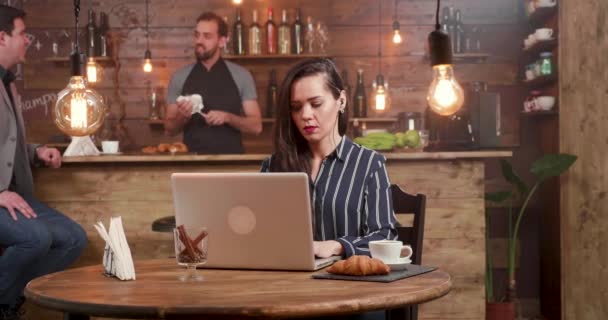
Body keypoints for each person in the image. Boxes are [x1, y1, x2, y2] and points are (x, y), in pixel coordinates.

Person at [261, 58, 398, 259]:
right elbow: (259, 234)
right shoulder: (273, 166)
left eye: (316, 103)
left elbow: (386, 237)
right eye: (296, 107)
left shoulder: (369, 164)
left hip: (347, 283)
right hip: (286, 282)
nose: (306, 115)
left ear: (341, 100)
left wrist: (337, 246)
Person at [0, 5, 87, 320]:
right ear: (1, 38)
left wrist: (36, 151)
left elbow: (6, 142)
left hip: (15, 195)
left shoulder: (8, 82)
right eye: (23, 34)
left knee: (73, 239)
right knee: (36, 238)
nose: (28, 41)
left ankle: (8, 302)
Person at [165, 12, 262, 154]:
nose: (199, 41)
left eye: (207, 36)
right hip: (191, 165)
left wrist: (228, 118)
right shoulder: (179, 77)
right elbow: (169, 129)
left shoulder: (241, 76)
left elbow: (256, 127)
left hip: (232, 164)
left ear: (222, 41)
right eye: (197, 35)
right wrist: (183, 117)